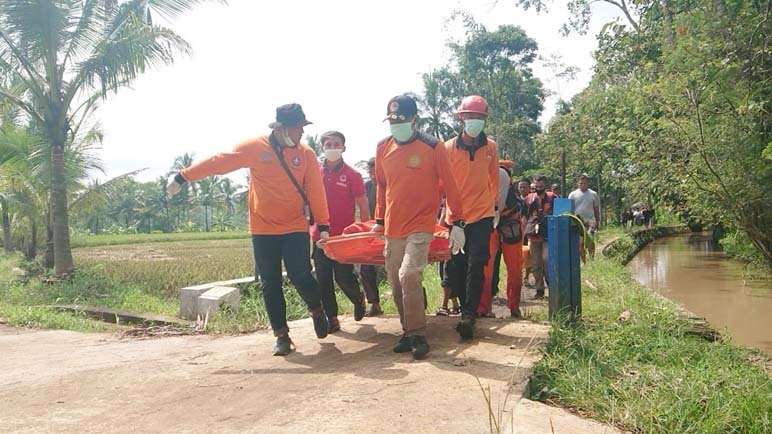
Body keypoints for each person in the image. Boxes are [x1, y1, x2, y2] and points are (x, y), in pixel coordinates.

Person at [166, 103, 330, 356]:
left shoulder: (305, 153)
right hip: (263, 228)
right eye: (299, 128)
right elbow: (217, 163)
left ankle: (316, 309)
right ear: (283, 128)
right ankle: (282, 335)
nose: (302, 134)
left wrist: (324, 226)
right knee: (270, 282)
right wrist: (183, 176)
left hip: (295, 225)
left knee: (301, 275)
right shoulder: (253, 147)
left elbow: (316, 191)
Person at [373, 94, 466, 359]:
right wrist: (379, 219)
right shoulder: (383, 147)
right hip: (393, 225)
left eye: (401, 120)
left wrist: (456, 221)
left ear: (414, 120)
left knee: (409, 273)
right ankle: (406, 330)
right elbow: (381, 185)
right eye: (391, 120)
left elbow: (450, 184)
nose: (396, 124)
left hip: (422, 223)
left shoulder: (433, 146)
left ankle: (418, 333)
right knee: (395, 279)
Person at [443, 95, 499, 339]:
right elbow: (442, 184)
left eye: (479, 117)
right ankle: (461, 307)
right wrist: (450, 218)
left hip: (483, 215)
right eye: (470, 117)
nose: (474, 121)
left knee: (477, 263)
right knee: (457, 265)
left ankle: (469, 315)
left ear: (485, 120)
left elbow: (493, 180)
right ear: (461, 118)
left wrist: (494, 207)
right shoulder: (447, 148)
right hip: (456, 217)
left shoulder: (491, 148)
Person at [312, 131, 369, 332]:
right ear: (322, 148)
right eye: (328, 144)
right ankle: (332, 318)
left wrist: (365, 229)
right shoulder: (315, 173)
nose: (332, 147)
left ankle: (358, 298)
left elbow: (362, 204)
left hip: (344, 236)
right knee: (323, 279)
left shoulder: (353, 175)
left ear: (343, 148)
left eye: (336, 144)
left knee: (343, 276)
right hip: (319, 237)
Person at [478, 160, 524, 318]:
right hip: (488, 220)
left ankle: (514, 307)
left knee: (515, 266)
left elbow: (499, 203)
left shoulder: (500, 173)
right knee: (485, 265)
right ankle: (483, 308)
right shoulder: (473, 174)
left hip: (507, 220)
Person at [524, 175, 555, 299]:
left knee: (547, 262)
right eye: (536, 187)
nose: (539, 189)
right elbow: (524, 217)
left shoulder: (552, 198)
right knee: (536, 264)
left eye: (541, 187)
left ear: (545, 186)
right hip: (533, 236)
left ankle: (552, 288)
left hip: (548, 235)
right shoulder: (529, 199)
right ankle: (539, 290)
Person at [359, 158, 383, 317]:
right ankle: (373, 303)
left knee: (403, 269)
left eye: (376, 172)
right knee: (365, 265)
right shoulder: (368, 186)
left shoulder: (394, 184)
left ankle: (413, 304)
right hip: (373, 230)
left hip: (396, 230)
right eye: (370, 172)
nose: (373, 176)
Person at [568, 173, 600, 263]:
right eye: (581, 183)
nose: (583, 185)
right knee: (581, 243)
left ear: (587, 183)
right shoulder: (573, 194)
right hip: (578, 221)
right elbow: (569, 209)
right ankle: (584, 262)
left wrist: (598, 221)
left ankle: (592, 259)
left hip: (590, 221)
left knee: (590, 239)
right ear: (578, 183)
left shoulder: (593, 194)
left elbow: (596, 209)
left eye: (585, 183)